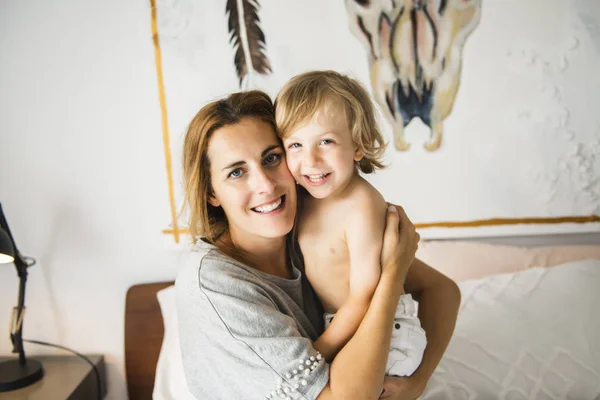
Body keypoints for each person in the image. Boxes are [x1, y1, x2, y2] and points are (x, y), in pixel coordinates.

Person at [175, 90, 460, 400]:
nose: (265, 185)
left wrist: (418, 380)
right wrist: (391, 275)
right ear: (211, 193)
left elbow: (441, 290)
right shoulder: (215, 285)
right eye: (236, 172)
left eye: (272, 158)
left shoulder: (313, 223)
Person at [274, 70, 426, 377]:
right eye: (295, 145)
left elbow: (364, 294)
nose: (311, 160)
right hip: (345, 323)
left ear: (358, 145)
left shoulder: (362, 205)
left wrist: (317, 352)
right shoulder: (304, 198)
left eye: (326, 142)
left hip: (387, 327)